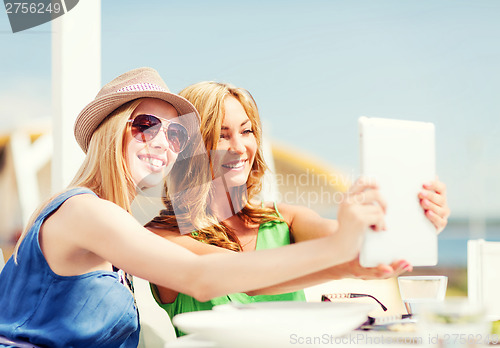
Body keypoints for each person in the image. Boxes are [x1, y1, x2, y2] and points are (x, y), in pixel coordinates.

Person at [0, 68, 386, 348]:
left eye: (176, 133)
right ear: (111, 128)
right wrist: (340, 252)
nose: (162, 143)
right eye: (146, 124)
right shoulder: (85, 212)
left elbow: (233, 275)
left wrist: (356, 256)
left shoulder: (110, 223)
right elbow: (200, 276)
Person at [146, 81, 450, 337]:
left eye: (247, 131)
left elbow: (351, 239)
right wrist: (344, 261)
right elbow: (244, 277)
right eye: (222, 135)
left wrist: (414, 220)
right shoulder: (161, 238)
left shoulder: (286, 219)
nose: (240, 147)